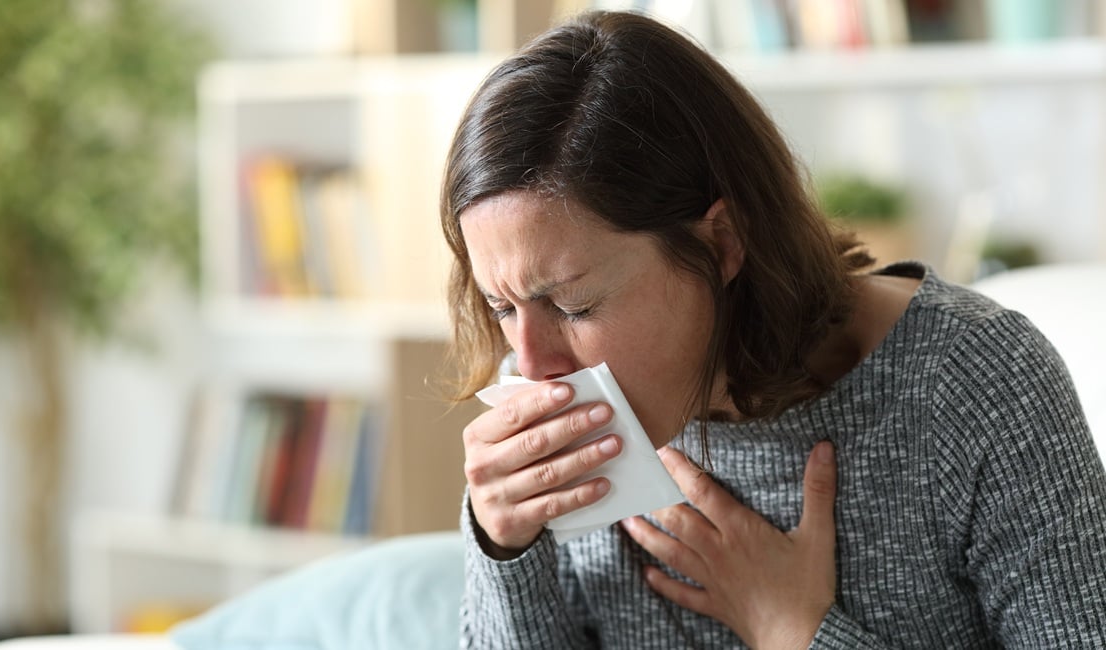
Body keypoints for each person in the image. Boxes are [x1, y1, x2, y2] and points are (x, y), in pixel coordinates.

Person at [438, 10, 1106, 649]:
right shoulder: (548, 415)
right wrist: (504, 547)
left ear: (723, 242)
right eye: (502, 308)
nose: (530, 366)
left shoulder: (973, 382)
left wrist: (795, 631)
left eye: (575, 305)